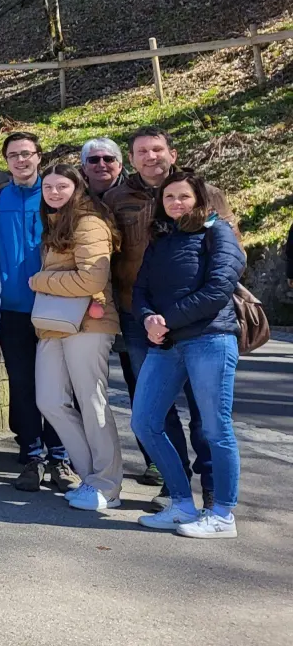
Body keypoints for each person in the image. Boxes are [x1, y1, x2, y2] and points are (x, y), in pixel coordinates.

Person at [105, 126, 227, 505]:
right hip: (139, 317)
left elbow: (227, 255)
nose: (150, 156)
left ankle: (212, 487)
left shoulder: (205, 193)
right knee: (157, 408)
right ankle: (175, 487)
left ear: (172, 154)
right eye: (142, 151)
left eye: (157, 149)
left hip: (199, 320)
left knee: (204, 410)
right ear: (131, 159)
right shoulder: (116, 198)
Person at [132, 170, 246, 538]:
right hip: (166, 344)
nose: (176, 203)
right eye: (169, 197)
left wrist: (166, 320)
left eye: (183, 196)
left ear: (198, 198)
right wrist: (147, 318)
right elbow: (140, 289)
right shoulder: (161, 238)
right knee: (144, 422)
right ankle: (181, 503)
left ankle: (222, 514)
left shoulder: (218, 232)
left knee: (215, 428)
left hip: (209, 339)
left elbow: (219, 288)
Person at [0, 131, 73, 492]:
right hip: (12, 309)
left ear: (39, 156)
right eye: (14, 155)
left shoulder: (55, 196)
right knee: (21, 385)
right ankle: (33, 455)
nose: (21, 160)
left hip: (55, 305)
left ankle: (60, 457)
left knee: (57, 385)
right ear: (5, 161)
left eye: (27, 154)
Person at [29, 164, 123, 511]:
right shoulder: (56, 223)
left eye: (61, 186)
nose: (54, 192)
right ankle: (90, 478)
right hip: (55, 324)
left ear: (77, 188)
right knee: (50, 400)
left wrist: (40, 281)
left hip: (88, 324)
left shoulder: (89, 223)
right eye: (48, 187)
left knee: (92, 401)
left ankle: (107, 485)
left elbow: (92, 280)